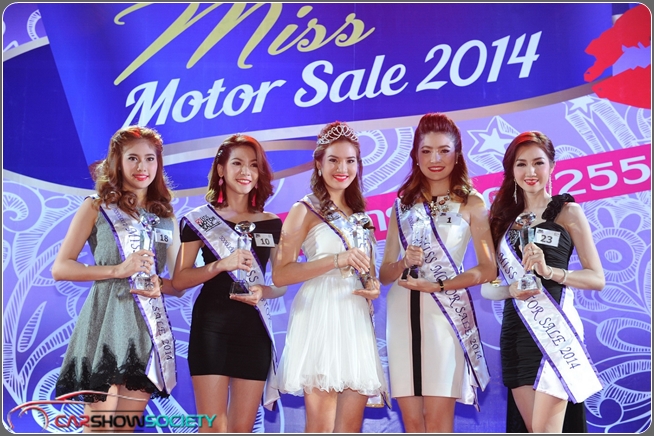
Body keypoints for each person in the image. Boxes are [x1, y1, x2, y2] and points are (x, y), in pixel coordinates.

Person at [52, 125, 184, 433]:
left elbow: (177, 284)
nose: (142, 167)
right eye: (133, 158)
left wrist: (160, 284)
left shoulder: (165, 216)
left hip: (144, 329)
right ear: (117, 162)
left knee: (124, 428)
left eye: (150, 159)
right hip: (105, 323)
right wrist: (117, 270)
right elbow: (61, 268)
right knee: (99, 426)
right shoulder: (96, 206)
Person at [378, 113, 497, 433]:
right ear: (415, 155)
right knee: (413, 423)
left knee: (438, 420)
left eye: (444, 150)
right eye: (427, 151)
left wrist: (441, 284)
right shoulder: (402, 204)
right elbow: (384, 274)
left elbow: (488, 268)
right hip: (402, 312)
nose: (435, 159)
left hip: (444, 312)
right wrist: (403, 262)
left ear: (457, 155)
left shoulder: (471, 202)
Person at [272, 121, 388, 433]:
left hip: (354, 316)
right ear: (319, 163)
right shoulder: (304, 209)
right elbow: (281, 274)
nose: (342, 168)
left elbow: (368, 272)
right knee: (321, 426)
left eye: (350, 161)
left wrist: (373, 285)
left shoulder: (361, 214)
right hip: (321, 313)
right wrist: (336, 260)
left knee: (350, 427)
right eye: (334, 160)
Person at [485, 131, 605, 433]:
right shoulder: (501, 219)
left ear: (552, 165)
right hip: (516, 335)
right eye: (521, 164)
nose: (531, 171)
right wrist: (509, 289)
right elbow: (487, 285)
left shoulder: (567, 212)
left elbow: (596, 278)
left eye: (538, 162)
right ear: (511, 170)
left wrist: (550, 272)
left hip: (555, 335)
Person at [172, 134, 286, 433]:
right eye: (237, 163)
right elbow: (180, 279)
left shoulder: (272, 222)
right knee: (212, 427)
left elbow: (282, 282)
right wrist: (220, 264)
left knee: (241, 429)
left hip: (254, 331)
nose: (245, 171)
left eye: (253, 165)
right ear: (221, 169)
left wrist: (264, 291)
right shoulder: (199, 219)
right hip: (211, 328)